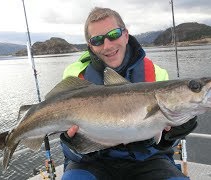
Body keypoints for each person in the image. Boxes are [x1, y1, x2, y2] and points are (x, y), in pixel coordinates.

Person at [59, 7, 197, 180]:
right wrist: (73, 143)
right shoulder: (75, 76)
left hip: (147, 159)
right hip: (91, 162)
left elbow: (163, 141)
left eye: (114, 34)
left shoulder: (155, 74)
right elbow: (67, 140)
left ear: (125, 35)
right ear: (90, 46)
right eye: (97, 40)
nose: (107, 45)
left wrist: (174, 133)